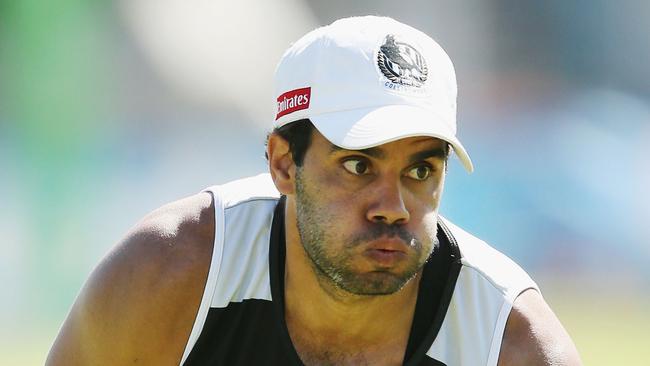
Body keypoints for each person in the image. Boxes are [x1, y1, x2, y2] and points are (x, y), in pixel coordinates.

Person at [47, 16, 582, 366]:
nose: (393, 208)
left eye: (421, 171)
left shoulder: (509, 343)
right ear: (283, 163)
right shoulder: (170, 273)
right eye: (357, 164)